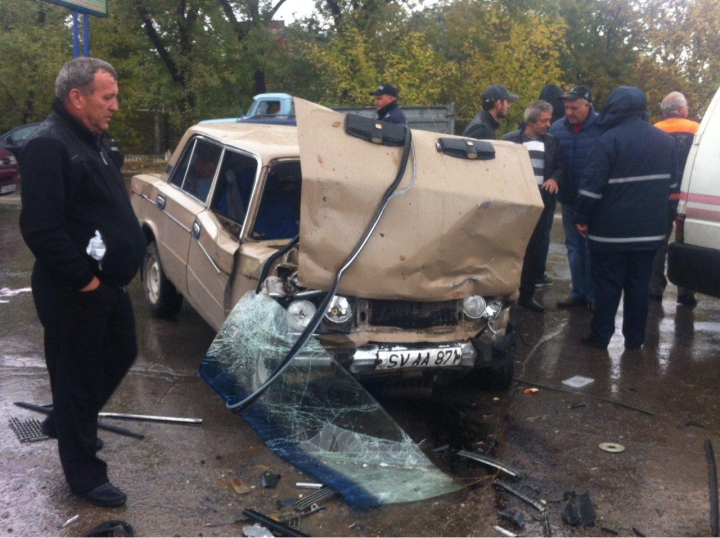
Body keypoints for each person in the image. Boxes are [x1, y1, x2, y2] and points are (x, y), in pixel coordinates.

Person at [19, 57, 145, 507]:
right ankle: (86, 476)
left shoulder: (95, 141)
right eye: (106, 97)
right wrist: (84, 280)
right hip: (74, 289)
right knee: (76, 376)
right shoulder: (48, 146)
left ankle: (68, 420)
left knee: (121, 352)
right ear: (77, 97)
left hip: (108, 285)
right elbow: (40, 227)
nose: (114, 105)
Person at [575, 86, 678, 350]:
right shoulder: (665, 141)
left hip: (610, 234)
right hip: (649, 234)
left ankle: (601, 336)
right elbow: (672, 187)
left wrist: (582, 217)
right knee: (639, 288)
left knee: (607, 287)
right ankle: (635, 339)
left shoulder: (608, 140)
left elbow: (591, 188)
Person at [502, 100, 567, 313]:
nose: (549, 124)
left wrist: (555, 179)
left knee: (534, 250)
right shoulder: (510, 140)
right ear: (531, 121)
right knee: (510, 249)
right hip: (516, 203)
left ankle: (527, 295)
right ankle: (504, 292)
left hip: (542, 202)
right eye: (544, 120)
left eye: (550, 120)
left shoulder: (552, 142)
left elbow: (560, 166)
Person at [549, 85, 602, 309]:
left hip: (594, 201)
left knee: (592, 247)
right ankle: (578, 291)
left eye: (575, 108)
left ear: (588, 105)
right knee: (574, 246)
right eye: (567, 107)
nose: (569, 112)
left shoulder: (602, 127)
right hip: (569, 198)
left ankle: (594, 295)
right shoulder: (557, 128)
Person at [650, 91, 699, 306]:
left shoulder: (654, 130)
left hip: (661, 195)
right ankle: (686, 292)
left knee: (658, 241)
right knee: (686, 241)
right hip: (688, 196)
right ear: (681, 109)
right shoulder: (697, 130)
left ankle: (654, 288)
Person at [535, 84, 565, 288]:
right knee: (543, 232)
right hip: (549, 188)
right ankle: (538, 272)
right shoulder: (559, 126)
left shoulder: (533, 125)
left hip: (535, 186)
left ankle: (532, 272)